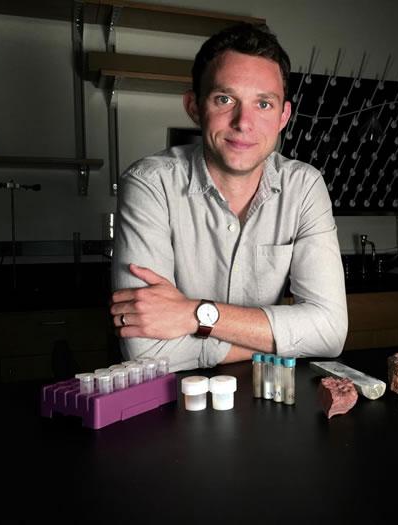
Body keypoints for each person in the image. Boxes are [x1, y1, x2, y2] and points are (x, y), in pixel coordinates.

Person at [110, 23, 347, 371]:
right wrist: (280, 340)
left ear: (283, 116)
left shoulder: (304, 186)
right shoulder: (149, 184)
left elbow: (329, 333)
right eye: (225, 99)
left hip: (269, 395)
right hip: (174, 398)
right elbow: (147, 351)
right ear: (194, 106)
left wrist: (195, 314)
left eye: (263, 104)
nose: (243, 122)